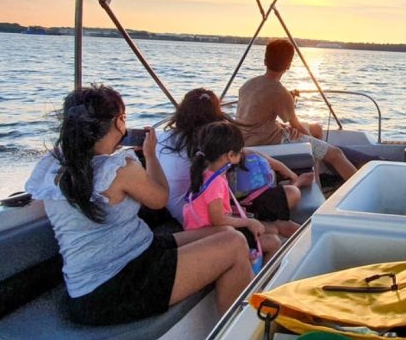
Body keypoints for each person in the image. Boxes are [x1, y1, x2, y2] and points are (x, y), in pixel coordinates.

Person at [23, 84, 253, 324]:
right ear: (118, 122)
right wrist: (150, 155)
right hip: (117, 284)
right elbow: (160, 198)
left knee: (226, 231)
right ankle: (238, 331)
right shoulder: (120, 168)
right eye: (123, 117)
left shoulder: (52, 166)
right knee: (235, 243)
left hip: (100, 278)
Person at [159, 88, 309, 237]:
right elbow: (246, 154)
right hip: (204, 219)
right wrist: (286, 171)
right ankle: (296, 184)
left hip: (184, 212)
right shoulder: (213, 141)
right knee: (290, 197)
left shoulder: (163, 138)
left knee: (278, 214)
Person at [235, 39, 358, 180]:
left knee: (313, 129)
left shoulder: (247, 85)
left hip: (247, 140)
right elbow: (296, 126)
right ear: (288, 65)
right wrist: (311, 142)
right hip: (268, 142)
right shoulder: (279, 92)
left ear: (265, 61)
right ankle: (361, 187)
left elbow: (256, 118)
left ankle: (316, 178)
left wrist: (283, 127)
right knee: (336, 154)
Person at [182, 121, 283, 259]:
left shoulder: (206, 172)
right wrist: (248, 222)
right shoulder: (215, 182)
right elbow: (218, 220)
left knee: (272, 229)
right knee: (274, 242)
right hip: (210, 233)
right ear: (230, 155)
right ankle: (257, 271)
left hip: (208, 228)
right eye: (240, 151)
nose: (242, 154)